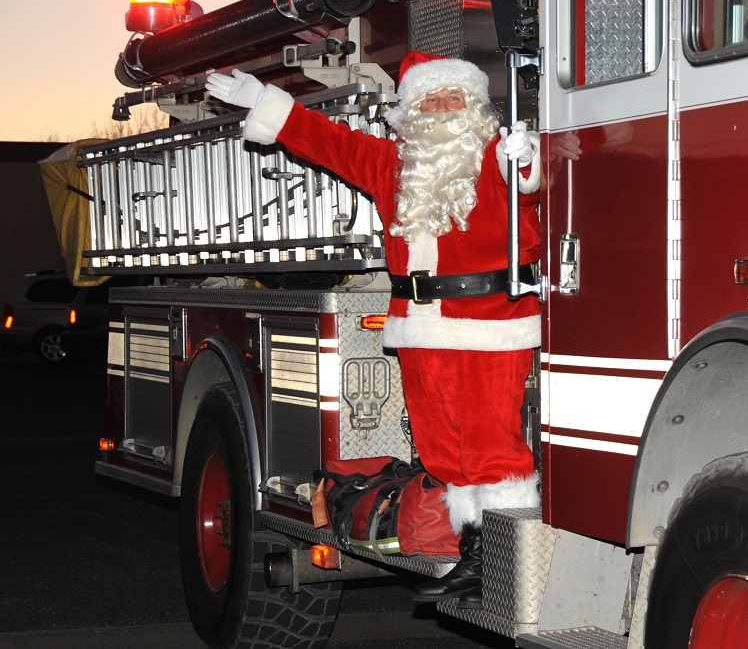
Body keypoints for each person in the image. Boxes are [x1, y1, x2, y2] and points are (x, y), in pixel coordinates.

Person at [206, 51, 542, 610]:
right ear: (410, 111)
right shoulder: (392, 164)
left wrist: (524, 158)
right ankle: (473, 550)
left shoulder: (496, 155)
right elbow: (329, 143)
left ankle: (500, 557)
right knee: (441, 447)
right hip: (418, 328)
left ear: (474, 106)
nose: (441, 109)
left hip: (489, 325)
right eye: (429, 100)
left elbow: (533, 179)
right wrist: (267, 103)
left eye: (452, 98)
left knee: (490, 445)